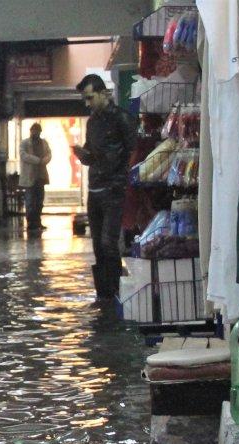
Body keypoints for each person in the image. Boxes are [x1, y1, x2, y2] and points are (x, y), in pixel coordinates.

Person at [72, 74, 136, 299]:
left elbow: (132, 151)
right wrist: (82, 155)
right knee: (99, 246)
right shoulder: (93, 122)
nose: (87, 103)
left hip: (113, 189)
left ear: (102, 93)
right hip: (96, 189)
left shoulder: (122, 119)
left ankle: (117, 290)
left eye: (90, 98)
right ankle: (106, 294)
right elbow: (91, 156)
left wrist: (122, 180)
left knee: (108, 243)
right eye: (85, 99)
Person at [19, 123, 51, 233]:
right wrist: (38, 160)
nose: (35, 132)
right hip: (30, 177)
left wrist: (44, 160)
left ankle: (38, 221)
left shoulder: (44, 143)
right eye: (34, 130)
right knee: (30, 201)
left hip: (40, 177)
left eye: (37, 131)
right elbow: (23, 156)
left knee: (39, 201)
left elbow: (49, 154)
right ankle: (30, 223)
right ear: (30, 131)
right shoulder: (24, 143)